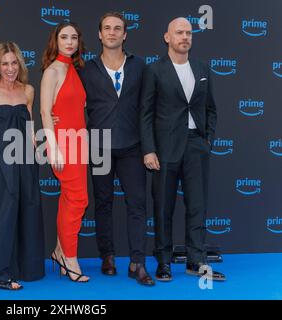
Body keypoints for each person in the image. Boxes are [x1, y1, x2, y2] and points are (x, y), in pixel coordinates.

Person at [140, 17, 225, 282]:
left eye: (189, 33)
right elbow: (145, 113)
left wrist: (207, 140)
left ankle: (196, 261)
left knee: (197, 206)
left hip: (196, 146)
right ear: (167, 37)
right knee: (163, 208)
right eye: (179, 32)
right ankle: (163, 262)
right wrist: (149, 149)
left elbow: (211, 109)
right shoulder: (154, 70)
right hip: (164, 148)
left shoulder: (202, 68)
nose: (185, 37)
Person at [75, 12, 154, 286]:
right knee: (104, 203)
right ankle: (107, 256)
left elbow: (147, 110)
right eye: (107, 28)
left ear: (125, 34)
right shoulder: (86, 68)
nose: (112, 32)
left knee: (137, 205)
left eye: (117, 28)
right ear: (99, 34)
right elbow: (72, 103)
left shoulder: (140, 66)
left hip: (132, 146)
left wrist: (149, 147)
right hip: (99, 146)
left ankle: (138, 262)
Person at [0, 42, 45, 290]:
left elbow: (29, 125)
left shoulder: (28, 90)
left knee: (28, 210)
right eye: (5, 63)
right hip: (3, 161)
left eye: (14, 63)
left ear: (20, 64)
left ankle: (28, 268)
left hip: (26, 159)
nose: (10, 68)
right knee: (2, 216)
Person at [40, 22, 89, 282]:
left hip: (79, 142)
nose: (69, 42)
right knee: (79, 199)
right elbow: (44, 111)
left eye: (74, 37)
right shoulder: (53, 71)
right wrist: (54, 147)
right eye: (64, 37)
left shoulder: (72, 69)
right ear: (55, 41)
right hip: (63, 144)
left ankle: (60, 251)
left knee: (69, 200)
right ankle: (70, 259)